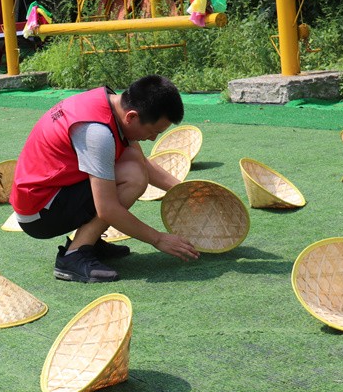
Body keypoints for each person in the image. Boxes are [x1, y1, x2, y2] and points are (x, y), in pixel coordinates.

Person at [10, 75, 200, 283]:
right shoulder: (97, 133)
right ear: (132, 117)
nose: (153, 138)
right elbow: (107, 209)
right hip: (39, 213)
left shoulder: (111, 103)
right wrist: (159, 239)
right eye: (153, 131)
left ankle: (90, 240)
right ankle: (74, 256)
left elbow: (141, 161)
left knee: (132, 162)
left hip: (52, 193)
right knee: (134, 178)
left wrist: (187, 191)